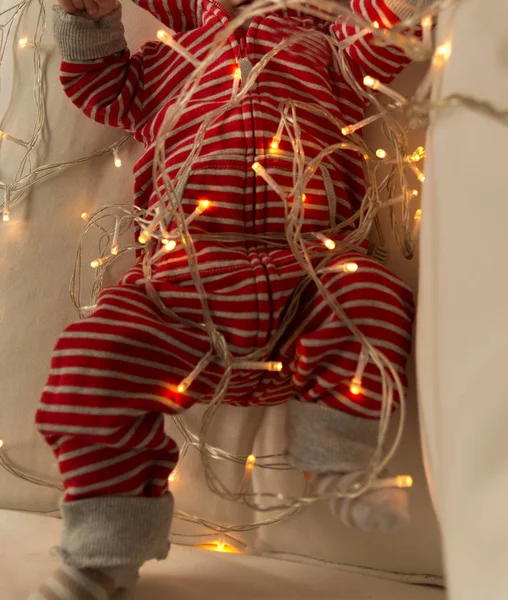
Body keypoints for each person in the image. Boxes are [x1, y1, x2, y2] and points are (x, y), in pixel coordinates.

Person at [31, 0, 420, 597]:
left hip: (308, 272)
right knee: (89, 358)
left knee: (368, 293)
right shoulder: (167, 60)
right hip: (183, 281)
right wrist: (89, 20)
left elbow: (384, 35)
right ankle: (101, 550)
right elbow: (100, 85)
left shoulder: (327, 46)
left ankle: (340, 453)